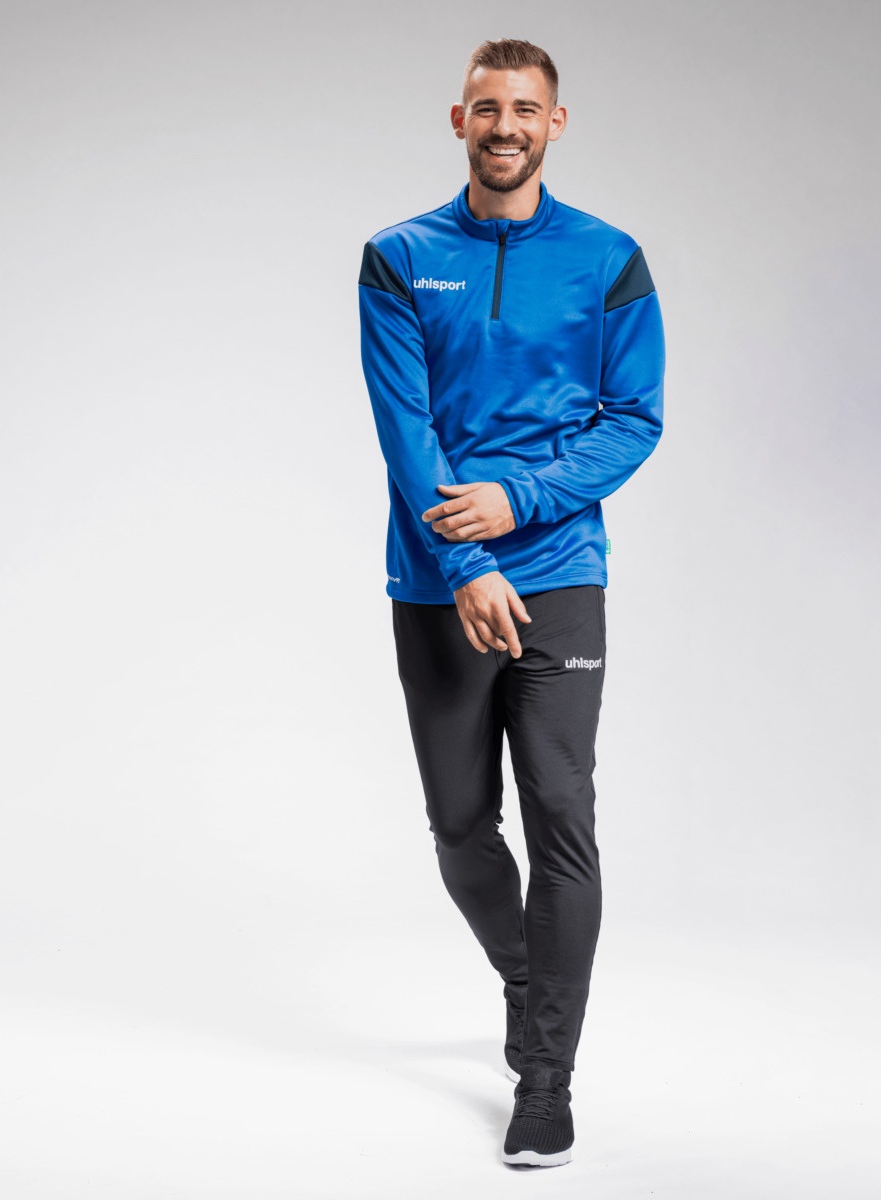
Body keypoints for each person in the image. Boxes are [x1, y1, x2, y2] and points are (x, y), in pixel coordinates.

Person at [358, 38, 665, 1168]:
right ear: (458, 120)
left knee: (562, 816)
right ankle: (530, 980)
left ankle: (546, 1079)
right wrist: (467, 565)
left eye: (525, 110)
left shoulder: (610, 259)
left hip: (563, 575)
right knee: (458, 825)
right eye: (487, 108)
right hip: (439, 580)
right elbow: (406, 432)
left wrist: (520, 503)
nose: (505, 127)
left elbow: (634, 420)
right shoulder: (398, 257)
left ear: (555, 124)